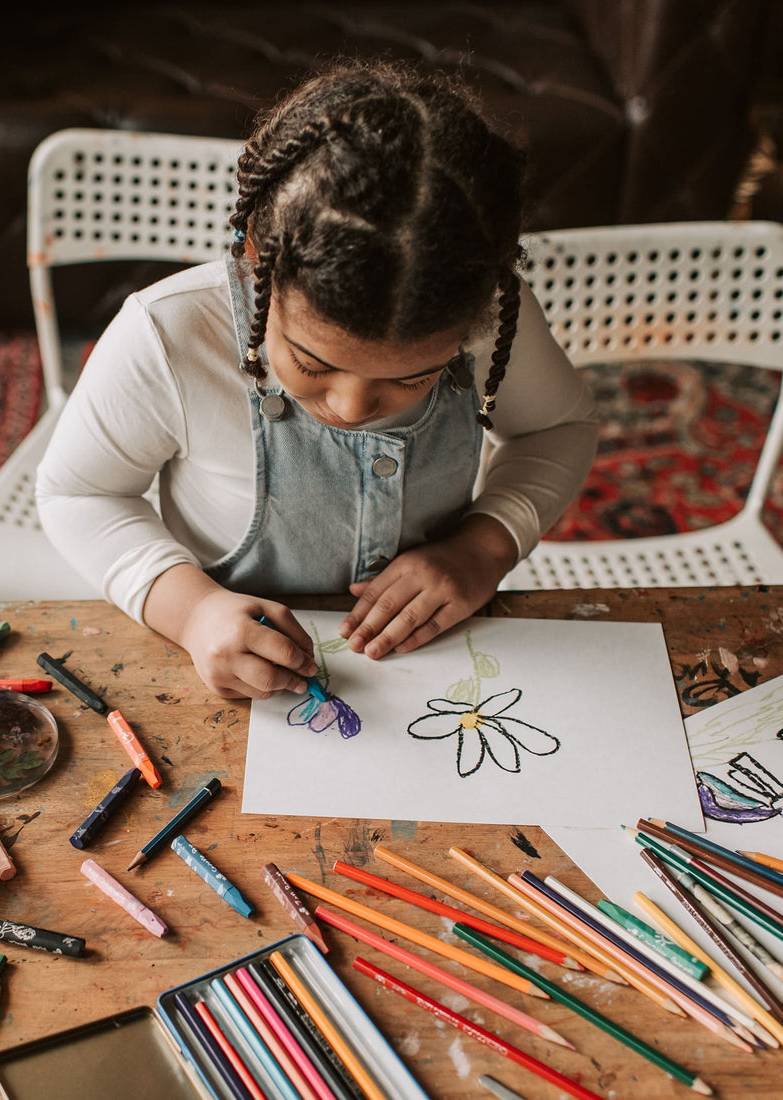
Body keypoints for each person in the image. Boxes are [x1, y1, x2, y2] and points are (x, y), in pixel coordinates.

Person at [37, 59, 597, 700]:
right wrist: (190, 611)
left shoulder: (490, 317)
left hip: (436, 656)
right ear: (255, 258)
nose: (351, 404)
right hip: (223, 656)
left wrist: (484, 548)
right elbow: (78, 495)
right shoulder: (170, 335)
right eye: (311, 363)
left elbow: (560, 429)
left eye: (414, 377)